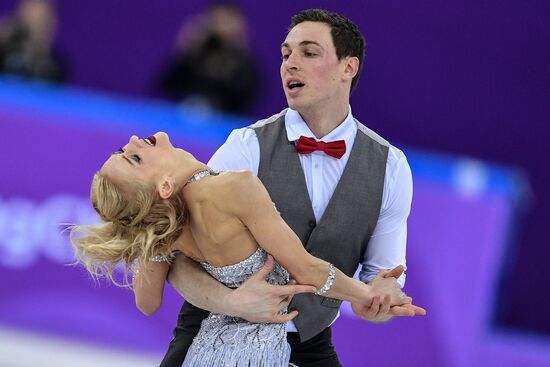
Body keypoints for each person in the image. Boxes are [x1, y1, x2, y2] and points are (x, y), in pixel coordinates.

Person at [162, 8, 421, 367]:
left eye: (309, 53)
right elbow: (173, 257)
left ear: (349, 67)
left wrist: (380, 301)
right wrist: (231, 302)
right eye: (286, 54)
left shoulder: (390, 168)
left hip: (308, 344)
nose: (290, 64)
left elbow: (376, 291)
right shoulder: (246, 146)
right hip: (214, 329)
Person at [71, 132, 423, 366]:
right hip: (257, 354)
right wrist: (367, 294)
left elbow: (147, 303)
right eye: (134, 158)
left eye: (123, 151)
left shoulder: (172, 229)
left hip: (208, 351)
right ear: (163, 186)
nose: (132, 141)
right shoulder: (235, 187)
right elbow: (308, 271)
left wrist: (154, 236)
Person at [157, 3, 259, 114]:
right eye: (218, 22)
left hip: (223, 124)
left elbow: (245, 99)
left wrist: (233, 60)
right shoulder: (195, 55)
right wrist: (183, 52)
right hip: (182, 119)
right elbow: (165, 85)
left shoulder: (244, 65)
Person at [0, 0, 67, 82]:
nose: (37, 30)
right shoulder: (5, 55)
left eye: (43, 23)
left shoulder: (55, 65)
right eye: (32, 22)